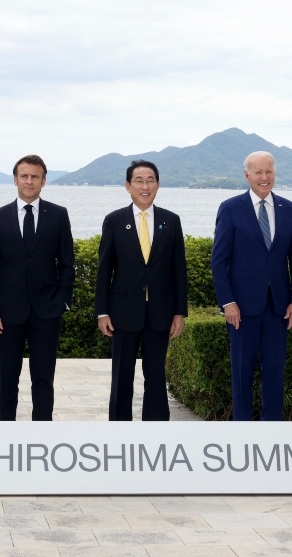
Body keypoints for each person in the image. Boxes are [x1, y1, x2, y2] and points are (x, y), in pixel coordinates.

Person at [0, 155, 75, 421]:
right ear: (15, 179)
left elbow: (68, 263)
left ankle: (41, 435)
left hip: (47, 311)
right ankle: (6, 436)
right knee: (7, 381)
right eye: (24, 176)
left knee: (43, 380)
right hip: (7, 313)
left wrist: (63, 300)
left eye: (35, 176)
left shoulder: (58, 215)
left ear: (44, 181)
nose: (29, 181)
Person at [210, 151, 292, 421]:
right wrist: (227, 302)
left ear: (274, 174)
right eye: (258, 172)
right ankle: (242, 432)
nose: (264, 177)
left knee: (275, 374)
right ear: (247, 175)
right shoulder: (230, 208)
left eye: (269, 172)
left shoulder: (290, 209)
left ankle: (271, 433)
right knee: (242, 374)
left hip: (279, 308)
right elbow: (219, 262)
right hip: (241, 309)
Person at [95, 160, 188, 421]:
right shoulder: (114, 220)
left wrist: (180, 312)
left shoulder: (171, 220)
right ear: (128, 186)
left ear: (158, 185)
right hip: (123, 312)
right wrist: (102, 312)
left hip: (160, 312)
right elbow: (104, 270)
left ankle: (155, 433)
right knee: (122, 377)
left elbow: (178, 269)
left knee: (156, 376)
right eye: (139, 180)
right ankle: (120, 432)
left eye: (150, 180)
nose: (144, 186)